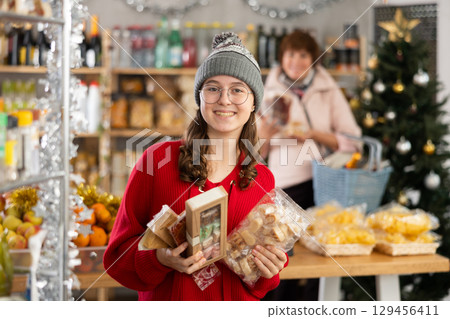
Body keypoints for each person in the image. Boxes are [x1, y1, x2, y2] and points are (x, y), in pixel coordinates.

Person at [103, 32, 288, 301]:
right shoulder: (156, 162)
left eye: (238, 90)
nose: (224, 99)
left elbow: (258, 284)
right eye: (213, 88)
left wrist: (268, 272)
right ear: (200, 99)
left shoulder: (263, 179)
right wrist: (160, 259)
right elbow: (116, 257)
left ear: (253, 104)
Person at [257, 30, 361, 300]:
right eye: (290, 54)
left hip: (324, 185)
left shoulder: (328, 90)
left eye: (303, 55)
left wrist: (312, 134)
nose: (296, 61)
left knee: (321, 259)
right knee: (281, 260)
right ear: (282, 58)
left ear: (313, 59)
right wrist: (265, 132)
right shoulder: (267, 92)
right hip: (284, 188)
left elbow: (353, 141)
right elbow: (255, 153)